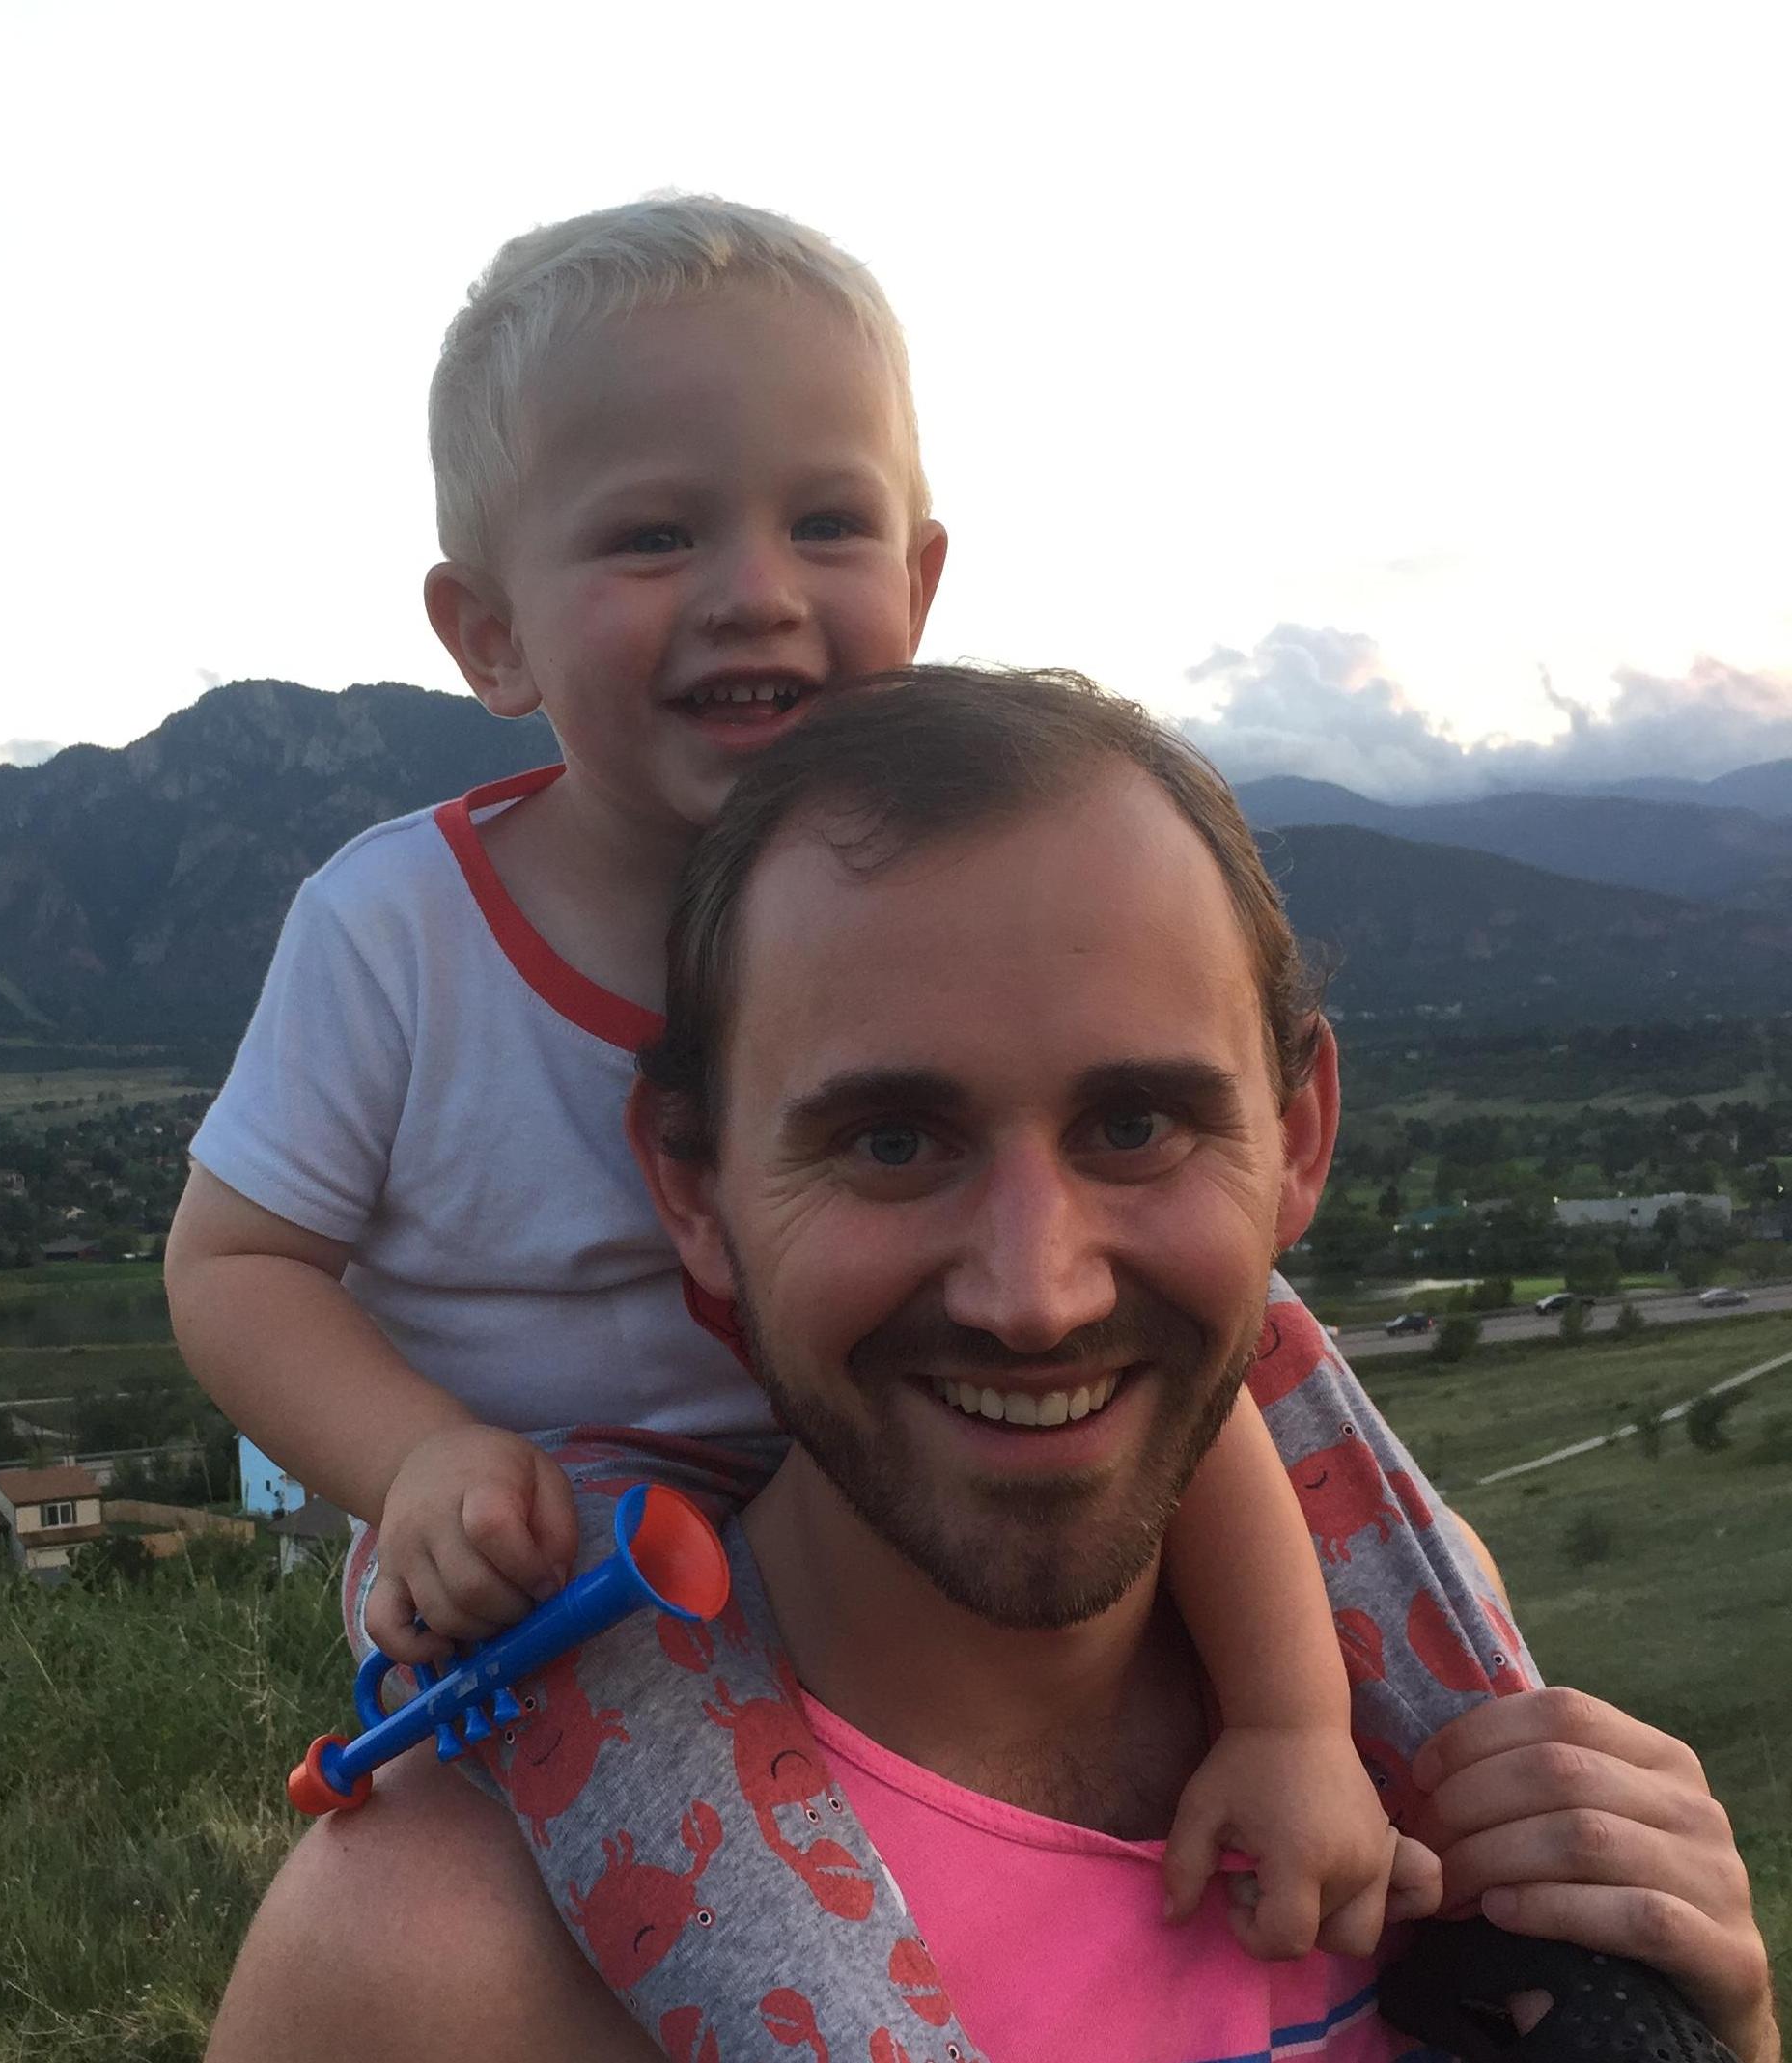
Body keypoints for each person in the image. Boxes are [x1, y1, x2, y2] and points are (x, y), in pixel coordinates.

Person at [171, 198, 1501, 2049]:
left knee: (1239, 1342)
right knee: (685, 1799)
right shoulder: (397, 933)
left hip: (867, 1476)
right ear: (488, 630)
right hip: (574, 1537)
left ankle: (1522, 1885)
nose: (755, 589)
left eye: (824, 523)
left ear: (922, 582)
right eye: (655, 534)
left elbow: (1162, 1367)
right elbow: (233, 1262)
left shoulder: (950, 903)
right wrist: (417, 1461)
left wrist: (1285, 1722)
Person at [206, 668, 1778, 2063]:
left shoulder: (1428, 1709)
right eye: (892, 1141)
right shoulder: (438, 1969)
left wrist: (1715, 2033)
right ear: (689, 1183)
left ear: (1296, 1138)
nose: (1034, 1295)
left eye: (1134, 1124)